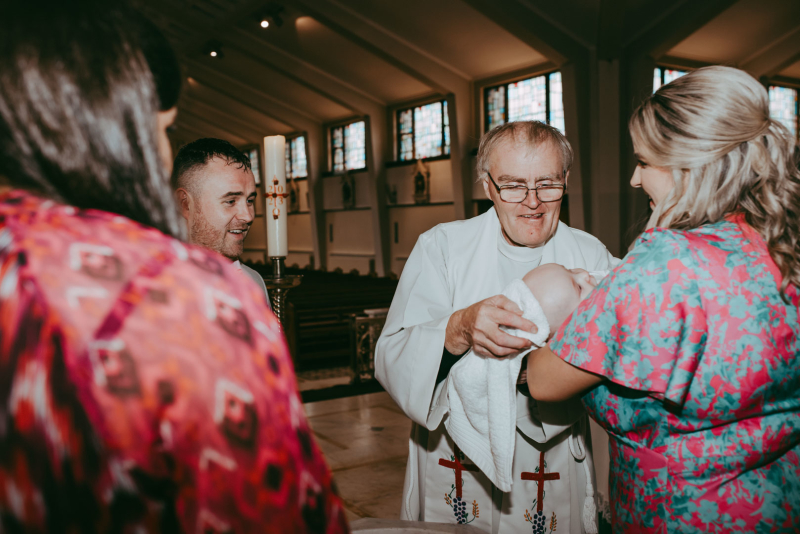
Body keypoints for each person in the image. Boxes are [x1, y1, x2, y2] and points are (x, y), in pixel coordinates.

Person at [0, 2, 347, 532]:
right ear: (111, 129)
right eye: (160, 131)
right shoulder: (178, 295)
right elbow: (277, 511)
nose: (161, 154)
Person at [524, 66, 800, 532]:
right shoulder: (780, 244)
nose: (634, 179)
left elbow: (545, 381)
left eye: (645, 162)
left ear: (690, 166)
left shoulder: (666, 262)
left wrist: (583, 305)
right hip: (778, 498)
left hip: (684, 511)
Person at [375, 121, 617, 533]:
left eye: (547, 184)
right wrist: (459, 328)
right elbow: (392, 357)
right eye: (513, 185)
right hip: (454, 462)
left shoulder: (590, 254)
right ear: (487, 186)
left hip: (553, 458)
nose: (532, 202)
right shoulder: (442, 247)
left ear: (566, 181)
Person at [171, 138, 270, 307]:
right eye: (231, 201)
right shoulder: (156, 286)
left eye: (250, 201)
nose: (248, 216)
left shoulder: (254, 281)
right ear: (185, 204)